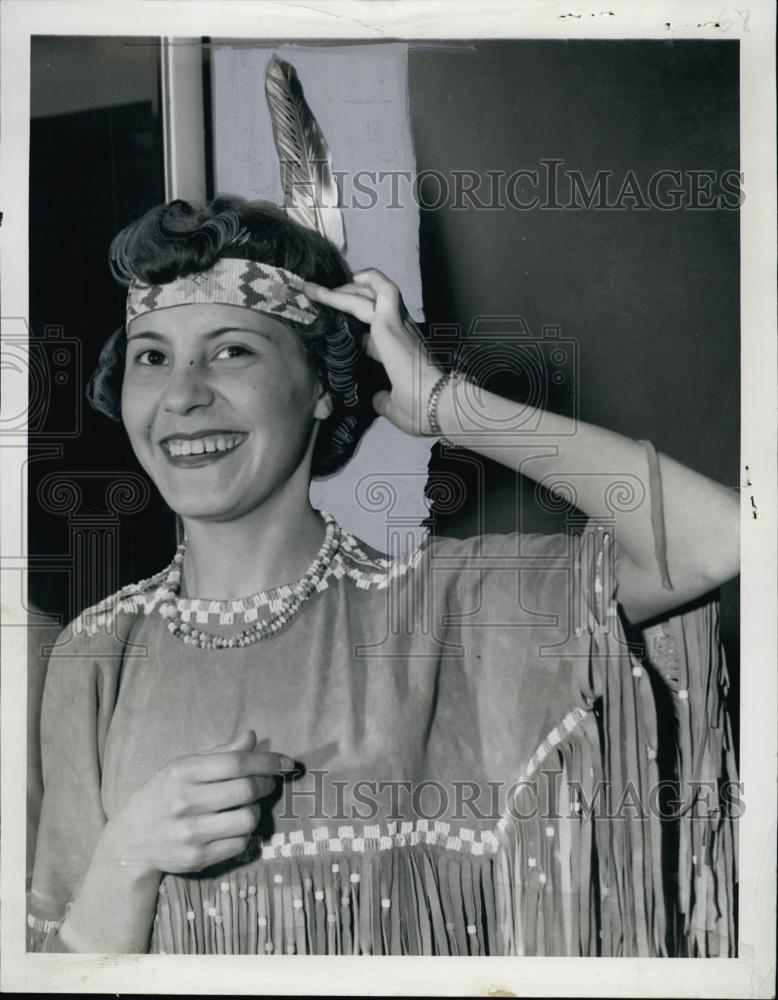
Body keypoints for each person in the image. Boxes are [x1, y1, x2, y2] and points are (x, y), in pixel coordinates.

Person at [28, 195, 740, 957]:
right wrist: (126, 858)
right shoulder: (94, 652)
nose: (183, 394)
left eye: (232, 350)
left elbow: (721, 538)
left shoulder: (451, 606)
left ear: (322, 385)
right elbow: (62, 966)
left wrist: (448, 405)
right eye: (152, 355)